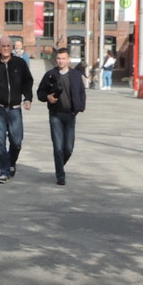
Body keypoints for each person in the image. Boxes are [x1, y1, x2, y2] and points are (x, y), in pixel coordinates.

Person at [0, 37, 33, 184]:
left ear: (12, 47)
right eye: (3, 45)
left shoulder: (19, 63)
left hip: (15, 109)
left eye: (9, 45)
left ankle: (11, 162)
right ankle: (3, 171)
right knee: (0, 142)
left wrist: (27, 98)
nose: (6, 48)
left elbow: (28, 81)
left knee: (17, 142)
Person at [37, 46, 87, 186]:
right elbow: (40, 92)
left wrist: (80, 107)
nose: (61, 61)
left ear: (68, 59)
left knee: (68, 148)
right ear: (56, 59)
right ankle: (60, 176)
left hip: (70, 115)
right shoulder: (50, 75)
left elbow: (81, 93)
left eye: (63, 58)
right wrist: (47, 97)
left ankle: (59, 166)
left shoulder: (76, 75)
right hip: (55, 115)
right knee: (58, 147)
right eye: (58, 58)